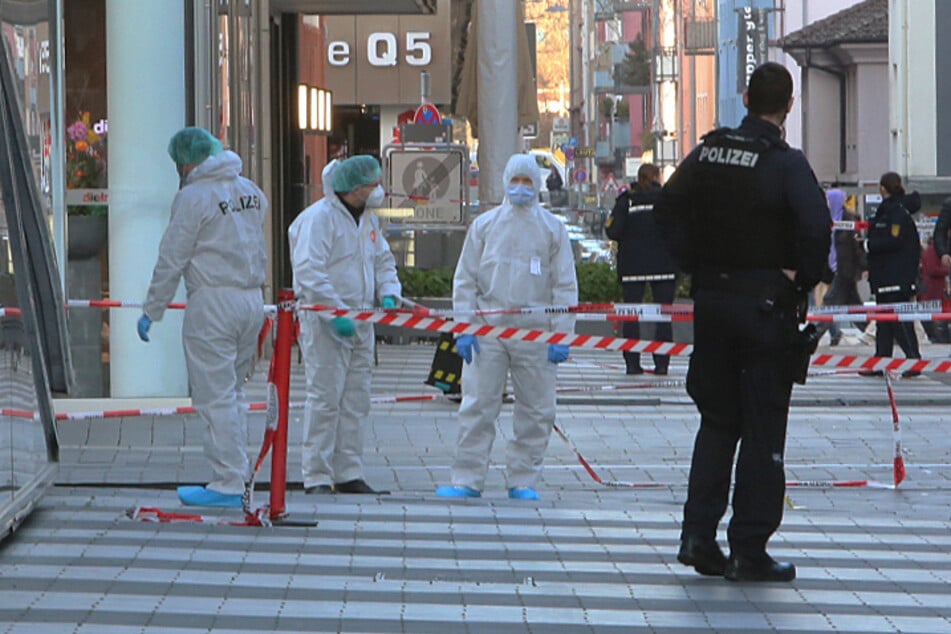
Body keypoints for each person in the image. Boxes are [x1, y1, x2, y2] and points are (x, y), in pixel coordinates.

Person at [654, 62, 830, 582]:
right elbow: (817, 228)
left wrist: (696, 266)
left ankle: (697, 536)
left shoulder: (707, 151)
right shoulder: (785, 163)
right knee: (762, 429)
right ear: (788, 106)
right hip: (764, 308)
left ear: (745, 96)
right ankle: (749, 548)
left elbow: (667, 209)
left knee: (717, 422)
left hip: (712, 303)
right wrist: (800, 280)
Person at [436, 154, 578, 501]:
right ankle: (467, 478)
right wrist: (464, 328)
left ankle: (523, 480)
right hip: (489, 332)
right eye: (515, 181)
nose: (520, 188)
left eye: (527, 182)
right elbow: (465, 280)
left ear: (538, 184)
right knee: (478, 406)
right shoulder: (485, 226)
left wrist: (561, 333)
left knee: (536, 410)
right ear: (505, 182)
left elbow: (564, 286)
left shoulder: (551, 228)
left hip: (535, 332)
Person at [139, 127, 268, 508]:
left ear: (187, 161)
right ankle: (239, 472)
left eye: (178, 163)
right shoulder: (250, 191)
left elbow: (172, 258)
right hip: (251, 302)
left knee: (215, 397)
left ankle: (228, 481)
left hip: (213, 303)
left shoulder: (193, 197)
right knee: (234, 392)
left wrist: (153, 309)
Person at [288, 155, 401, 495]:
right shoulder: (320, 220)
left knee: (355, 399)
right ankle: (317, 475)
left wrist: (390, 292)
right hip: (325, 324)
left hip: (362, 319)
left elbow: (382, 260)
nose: (377, 191)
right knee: (325, 398)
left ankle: (348, 470)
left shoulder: (367, 221)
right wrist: (334, 313)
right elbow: (310, 272)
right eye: (371, 185)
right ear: (353, 188)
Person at [605, 162, 677, 374]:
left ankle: (632, 364)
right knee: (663, 315)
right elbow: (679, 228)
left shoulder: (626, 201)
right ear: (657, 177)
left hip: (632, 267)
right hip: (664, 266)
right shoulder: (668, 200)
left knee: (631, 314)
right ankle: (662, 364)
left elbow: (612, 231)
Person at [861, 172, 922, 377]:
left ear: (883, 188)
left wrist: (869, 245)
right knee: (884, 321)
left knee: (898, 320)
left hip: (894, 276)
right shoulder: (891, 211)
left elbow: (893, 241)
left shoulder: (896, 213)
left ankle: (914, 360)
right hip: (887, 276)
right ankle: (881, 360)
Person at [816, 189, 868, 344]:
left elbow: (858, 247)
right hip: (832, 268)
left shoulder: (850, 219)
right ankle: (872, 331)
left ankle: (814, 334)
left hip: (845, 269)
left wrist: (864, 267)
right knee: (854, 306)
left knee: (830, 301)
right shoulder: (827, 218)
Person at [918, 236, 949, 344]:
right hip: (932, 288)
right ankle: (936, 336)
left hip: (933, 288)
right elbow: (932, 269)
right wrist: (947, 269)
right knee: (932, 313)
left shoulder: (930, 250)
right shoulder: (933, 251)